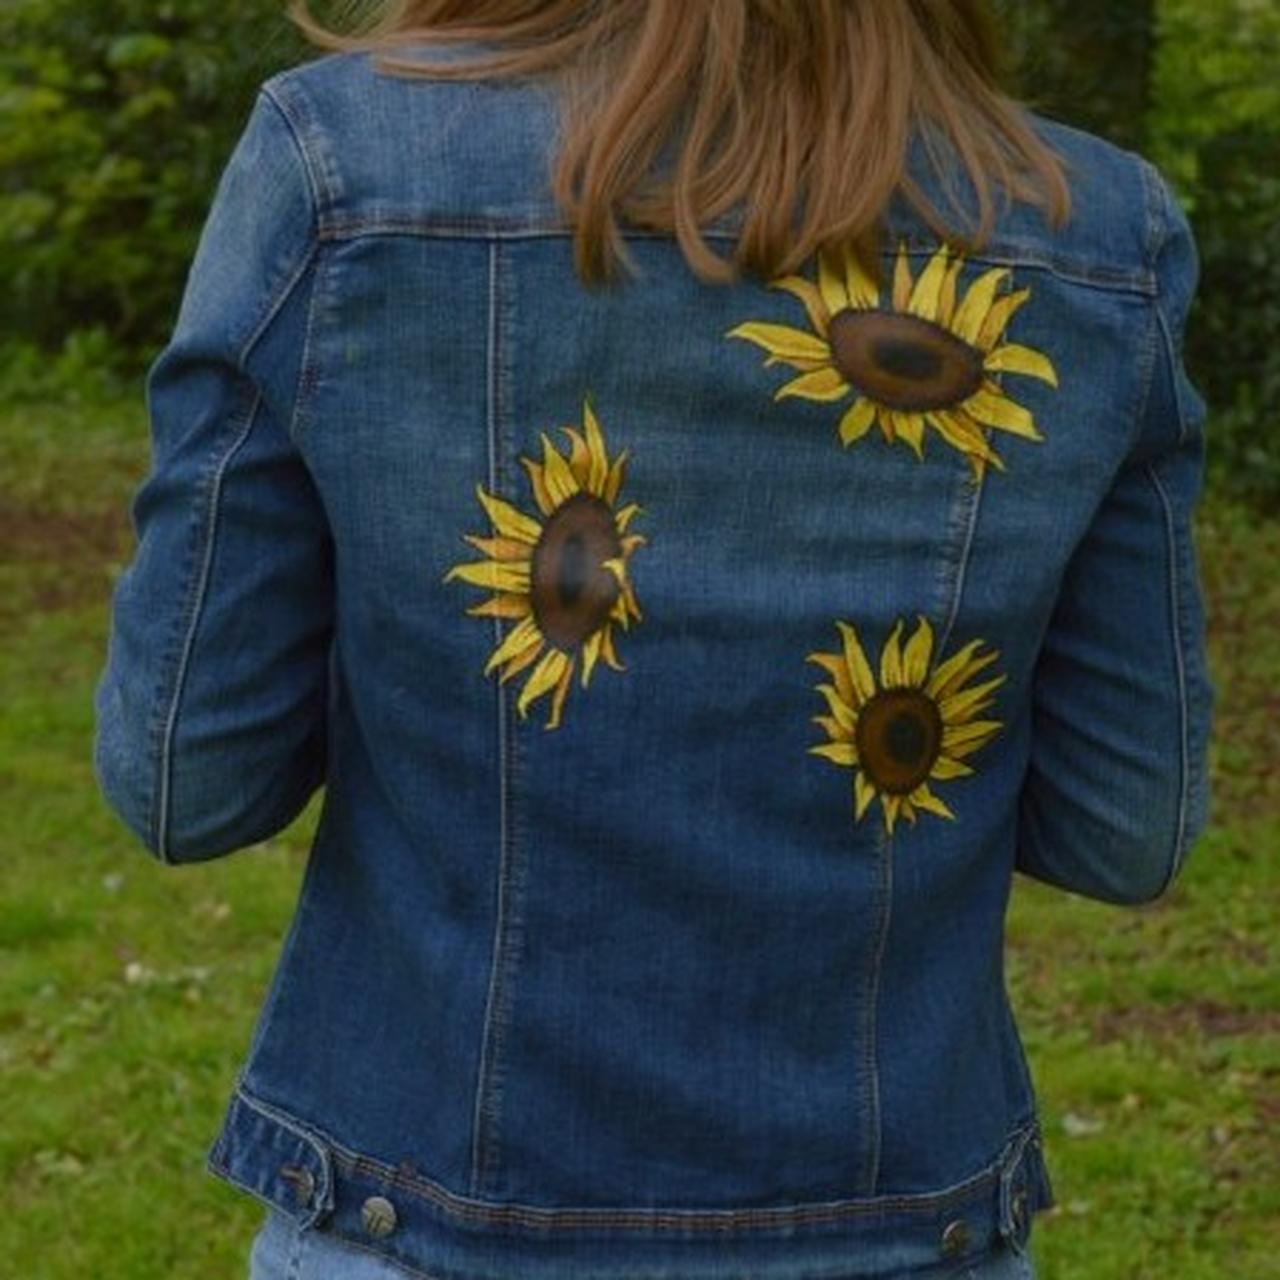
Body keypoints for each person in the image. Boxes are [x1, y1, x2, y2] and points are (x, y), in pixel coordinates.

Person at [91, 2, 1215, 1278]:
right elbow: (1121, 827)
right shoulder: (1095, 238)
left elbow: (189, 778)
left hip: (423, 1218)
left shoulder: (340, 168)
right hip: (902, 1226)